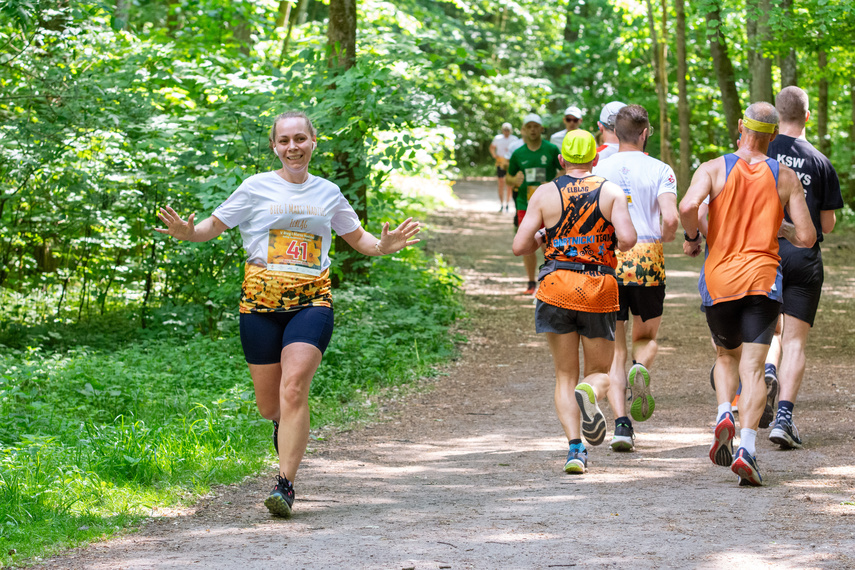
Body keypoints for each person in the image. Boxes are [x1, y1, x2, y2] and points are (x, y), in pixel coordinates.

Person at [155, 111, 421, 517]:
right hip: (259, 306)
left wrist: (386, 245)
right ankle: (284, 427)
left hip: (312, 302)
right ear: (274, 146)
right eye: (284, 140)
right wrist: (188, 232)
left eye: (300, 138)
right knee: (271, 407)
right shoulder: (255, 187)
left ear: (314, 142)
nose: (293, 147)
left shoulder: (328, 192)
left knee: (294, 386)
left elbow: (363, 241)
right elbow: (211, 226)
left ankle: (286, 485)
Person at [679, 101, 814, 486]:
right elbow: (806, 237)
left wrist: (693, 236)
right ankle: (748, 449)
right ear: (773, 135)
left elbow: (688, 205)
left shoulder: (713, 167)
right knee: (753, 368)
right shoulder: (784, 176)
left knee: (725, 356)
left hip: (720, 279)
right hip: (762, 280)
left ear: (740, 126)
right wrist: (780, 227)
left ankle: (724, 411)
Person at [513, 130, 636, 474]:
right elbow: (627, 239)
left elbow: (519, 246)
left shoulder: (544, 193)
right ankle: (590, 391)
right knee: (600, 373)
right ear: (596, 159)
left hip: (556, 286)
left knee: (564, 376)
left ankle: (575, 450)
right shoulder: (610, 191)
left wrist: (542, 237)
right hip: (597, 286)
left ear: (561, 159)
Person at [762, 86, 844, 449]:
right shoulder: (820, 162)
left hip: (764, 253)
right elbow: (826, 226)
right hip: (804, 257)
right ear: (807, 116)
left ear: (778, 116)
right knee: (794, 340)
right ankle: (784, 418)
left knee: (769, 332)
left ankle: (766, 371)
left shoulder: (761, 153)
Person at [593, 104, 678, 451]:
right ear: (644, 134)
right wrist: (667, 235)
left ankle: (622, 426)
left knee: (616, 348)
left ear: (615, 130)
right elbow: (671, 217)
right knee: (646, 337)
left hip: (609, 259)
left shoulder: (599, 167)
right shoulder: (661, 169)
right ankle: (640, 367)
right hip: (647, 259)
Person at [506, 113, 562, 294]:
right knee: (528, 244)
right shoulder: (518, 153)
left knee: (549, 244)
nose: (532, 130)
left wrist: (553, 182)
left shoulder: (552, 149)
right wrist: (515, 179)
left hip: (549, 205)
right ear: (523, 130)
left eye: (535, 126)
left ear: (541, 129)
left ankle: (549, 281)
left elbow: (565, 172)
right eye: (528, 126)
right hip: (526, 204)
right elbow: (507, 177)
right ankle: (531, 282)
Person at [490, 122, 520, 213]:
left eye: (508, 130)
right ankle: (501, 203)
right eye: (505, 130)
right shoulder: (498, 138)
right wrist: (494, 155)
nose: (506, 132)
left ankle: (507, 203)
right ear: (502, 130)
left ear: (510, 131)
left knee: (509, 184)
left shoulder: (514, 139)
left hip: (510, 163)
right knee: (501, 183)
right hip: (500, 163)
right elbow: (491, 147)